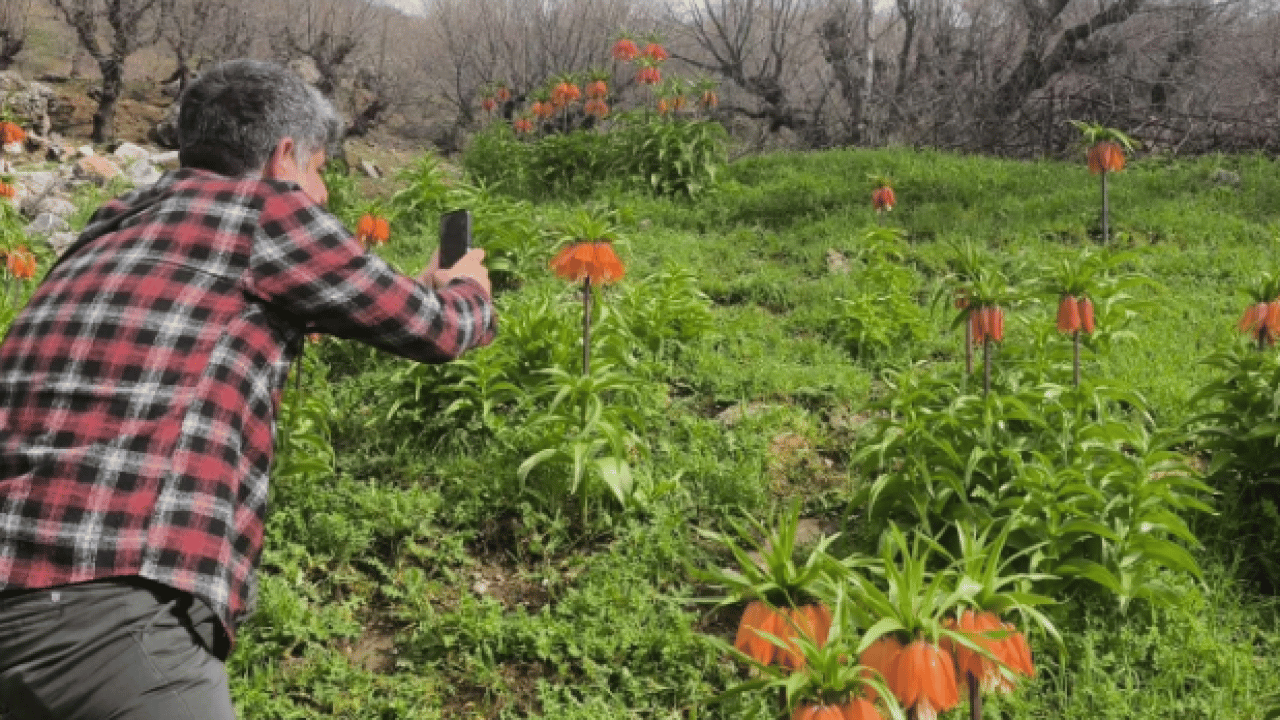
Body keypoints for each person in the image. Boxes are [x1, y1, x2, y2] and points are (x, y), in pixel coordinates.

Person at [0, 59, 496, 719]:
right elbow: (434, 329)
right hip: (105, 608)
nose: (322, 196)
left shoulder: (110, 226)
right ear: (285, 156)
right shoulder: (266, 207)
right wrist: (468, 290)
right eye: (320, 170)